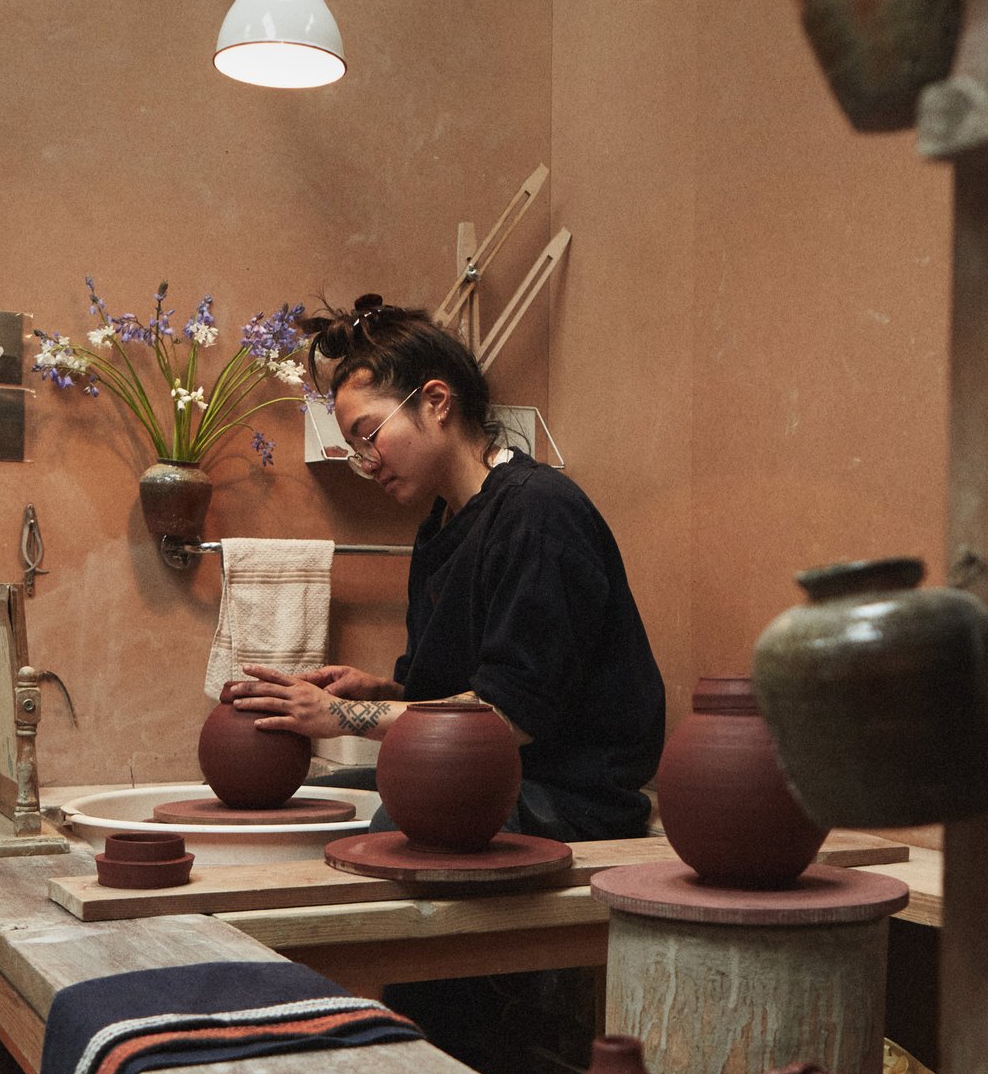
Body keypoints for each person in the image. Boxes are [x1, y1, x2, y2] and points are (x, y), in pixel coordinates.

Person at [228, 294, 665, 843]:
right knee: (333, 805)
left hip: (569, 793)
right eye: (352, 447)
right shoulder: (439, 528)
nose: (365, 462)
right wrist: (376, 690)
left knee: (396, 822)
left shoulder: (538, 510)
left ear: (435, 401)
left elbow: (509, 714)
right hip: (478, 770)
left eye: (368, 433)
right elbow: (445, 695)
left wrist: (337, 716)